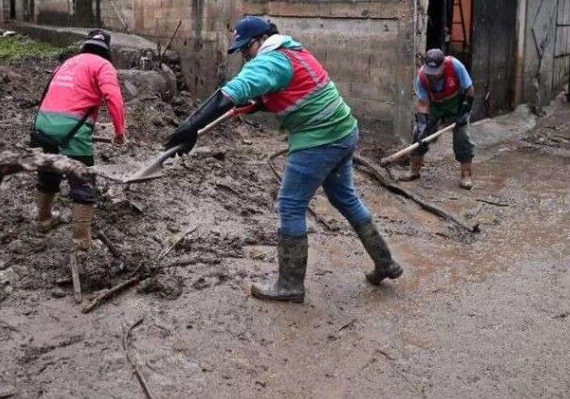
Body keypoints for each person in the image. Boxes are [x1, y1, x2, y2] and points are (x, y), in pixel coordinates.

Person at [163, 16, 402, 303]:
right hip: (343, 131)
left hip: (318, 140)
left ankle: (290, 284)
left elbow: (227, 94)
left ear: (260, 41)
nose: (244, 56)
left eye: (245, 49)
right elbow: (295, 90)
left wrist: (189, 128)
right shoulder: (295, 51)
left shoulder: (270, 61)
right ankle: (385, 262)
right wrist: (261, 103)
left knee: (290, 205)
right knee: (345, 198)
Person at [31, 29, 126, 251]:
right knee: (83, 182)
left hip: (42, 127)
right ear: (106, 51)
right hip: (72, 132)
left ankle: (43, 221)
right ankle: (82, 240)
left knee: (47, 174)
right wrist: (119, 132)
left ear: (85, 45)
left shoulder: (67, 63)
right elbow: (114, 98)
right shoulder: (103, 66)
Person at [402, 49, 476, 190]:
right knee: (419, 134)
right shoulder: (422, 77)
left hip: (457, 104)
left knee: (462, 136)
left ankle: (466, 175)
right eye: (430, 72)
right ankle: (414, 170)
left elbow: (470, 91)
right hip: (435, 105)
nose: (433, 76)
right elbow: (423, 104)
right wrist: (423, 124)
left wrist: (465, 112)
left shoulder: (455, 66)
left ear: (443, 66)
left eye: (436, 72)